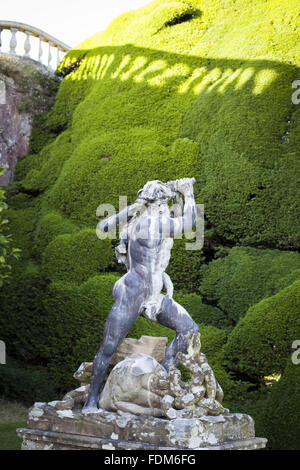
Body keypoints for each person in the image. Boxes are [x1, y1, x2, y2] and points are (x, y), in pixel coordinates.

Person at [83, 178, 199, 413]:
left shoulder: (142, 219)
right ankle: (91, 400)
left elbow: (104, 227)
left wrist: (131, 209)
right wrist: (189, 193)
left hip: (153, 294)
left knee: (189, 330)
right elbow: (189, 223)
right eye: (165, 201)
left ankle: (165, 376)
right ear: (157, 203)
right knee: (109, 346)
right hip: (134, 292)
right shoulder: (154, 223)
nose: (167, 205)